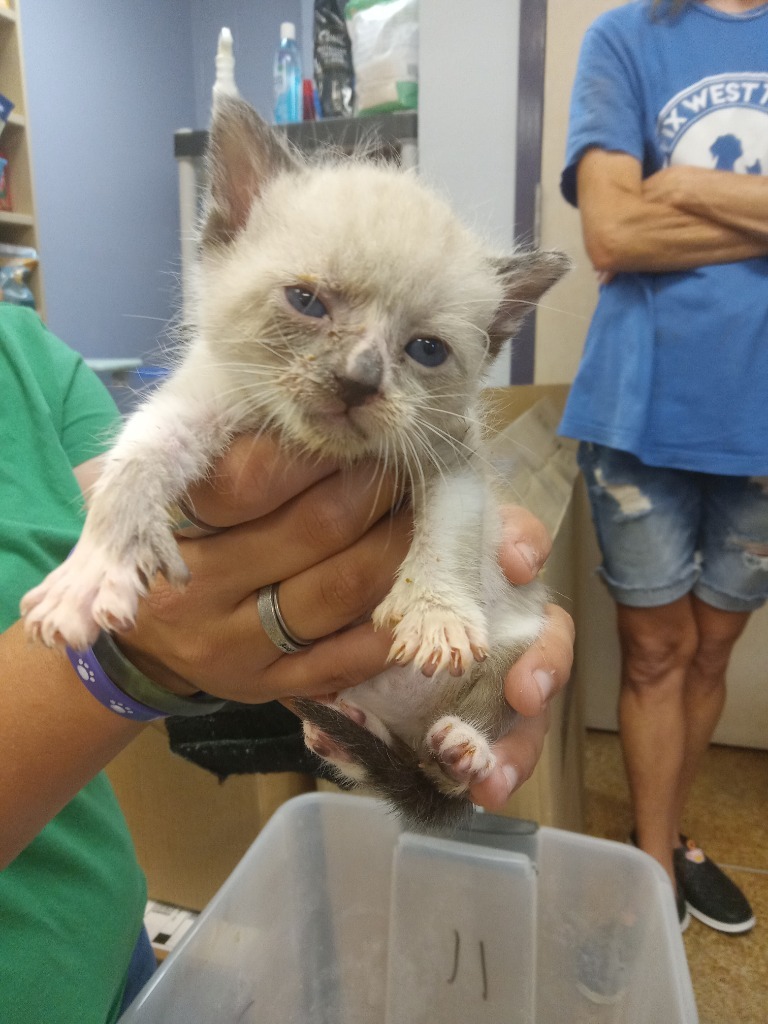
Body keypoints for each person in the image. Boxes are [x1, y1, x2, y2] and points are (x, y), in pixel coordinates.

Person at [0, 303, 574, 1023]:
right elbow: (160, 567)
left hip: (110, 942)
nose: (360, 365)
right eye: (308, 302)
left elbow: (186, 536)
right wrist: (131, 657)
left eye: (423, 345)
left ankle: (407, 746)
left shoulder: (30, 358)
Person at [559, 0, 768, 933]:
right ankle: (652, 861)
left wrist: (675, 186)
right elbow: (611, 233)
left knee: (714, 647)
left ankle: (676, 832)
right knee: (655, 652)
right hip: (639, 411)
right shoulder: (624, 37)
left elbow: (643, 212)